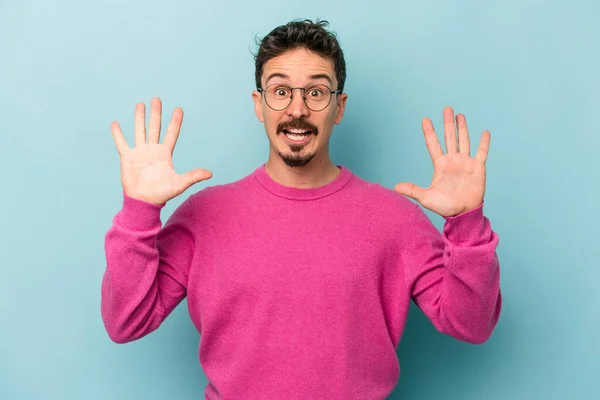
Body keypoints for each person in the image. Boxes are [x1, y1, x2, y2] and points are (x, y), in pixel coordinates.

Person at [101, 19, 501, 399]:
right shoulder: (202, 216)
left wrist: (467, 225)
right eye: (280, 91)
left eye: (315, 92)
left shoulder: (396, 219)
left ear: (338, 107)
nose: (297, 109)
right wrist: (139, 212)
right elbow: (125, 322)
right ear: (259, 105)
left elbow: (472, 324)